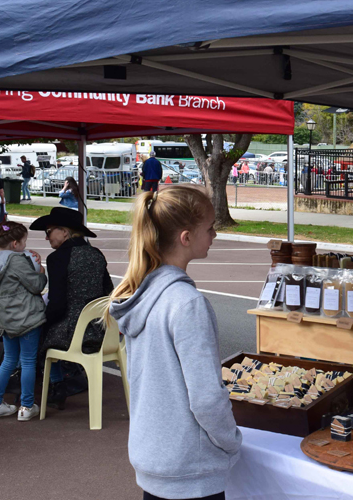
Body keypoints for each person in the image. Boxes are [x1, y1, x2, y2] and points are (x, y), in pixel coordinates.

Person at [108, 187, 241, 500]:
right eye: (209, 229)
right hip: (190, 469)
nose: (214, 235)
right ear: (185, 237)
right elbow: (207, 399)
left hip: (154, 458)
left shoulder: (140, 297)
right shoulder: (187, 304)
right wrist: (231, 440)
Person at [30, 207, 113, 409]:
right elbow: (108, 291)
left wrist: (42, 320)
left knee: (38, 332)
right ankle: (62, 383)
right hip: (101, 332)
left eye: (49, 232)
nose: (46, 238)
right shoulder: (96, 254)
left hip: (71, 333)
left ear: (64, 231)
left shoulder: (57, 258)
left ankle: (56, 385)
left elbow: (58, 304)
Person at [0, 222, 47, 421]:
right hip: (27, 317)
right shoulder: (17, 260)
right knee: (27, 361)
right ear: (15, 244)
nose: (26, 247)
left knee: (9, 360)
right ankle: (26, 407)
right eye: (25, 242)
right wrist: (41, 272)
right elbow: (35, 286)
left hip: (5, 319)